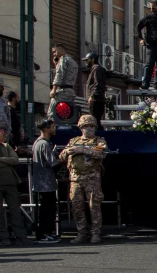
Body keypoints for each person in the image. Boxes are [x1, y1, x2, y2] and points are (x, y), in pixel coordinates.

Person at [60, 115, 108, 244]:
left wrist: (82, 150)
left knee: (94, 206)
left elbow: (100, 153)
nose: (88, 129)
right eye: (86, 126)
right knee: (77, 206)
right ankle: (81, 233)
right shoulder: (73, 141)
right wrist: (69, 151)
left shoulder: (99, 141)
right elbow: (62, 156)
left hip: (92, 178)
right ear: (81, 128)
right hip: (76, 178)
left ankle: (96, 233)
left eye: (91, 126)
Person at [31, 119, 61, 243]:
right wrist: (64, 157)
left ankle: (46, 232)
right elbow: (52, 162)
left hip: (43, 182)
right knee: (47, 210)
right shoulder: (44, 144)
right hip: (45, 182)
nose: (54, 129)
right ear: (46, 128)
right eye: (53, 126)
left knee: (47, 209)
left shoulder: (38, 142)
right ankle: (43, 233)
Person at [49, 44, 78, 118]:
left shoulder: (63, 59)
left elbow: (59, 74)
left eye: (55, 51)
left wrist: (54, 89)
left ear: (61, 49)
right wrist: (56, 64)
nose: (54, 54)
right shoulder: (73, 62)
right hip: (70, 91)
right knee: (65, 115)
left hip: (62, 91)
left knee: (52, 114)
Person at [84, 52, 106, 124]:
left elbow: (98, 84)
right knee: (95, 121)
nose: (86, 62)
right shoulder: (94, 69)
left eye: (87, 60)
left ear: (92, 59)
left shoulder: (97, 69)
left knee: (94, 121)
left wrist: (92, 96)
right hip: (96, 100)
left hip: (96, 100)